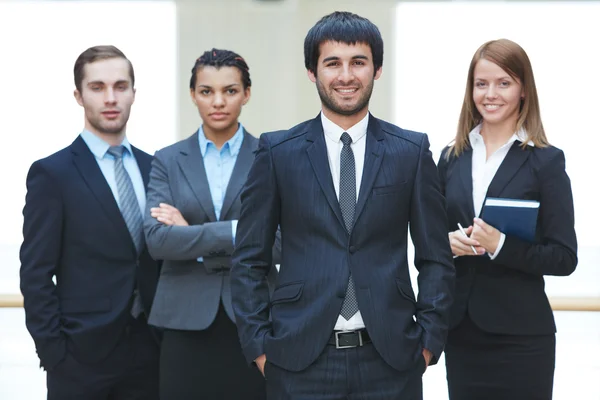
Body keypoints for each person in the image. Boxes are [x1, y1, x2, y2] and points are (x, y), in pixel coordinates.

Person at [230, 11, 455, 399]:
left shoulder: (411, 152)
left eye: (359, 62)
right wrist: (261, 348)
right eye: (332, 63)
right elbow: (249, 258)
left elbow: (436, 257)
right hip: (298, 361)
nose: (346, 76)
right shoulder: (277, 152)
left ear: (377, 69)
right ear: (312, 72)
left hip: (392, 360)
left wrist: (428, 344)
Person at [438, 38, 578, 400]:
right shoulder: (450, 158)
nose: (490, 94)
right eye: (481, 83)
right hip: (461, 334)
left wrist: (499, 245)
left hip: (522, 340)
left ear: (523, 91)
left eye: (504, 83)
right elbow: (430, 236)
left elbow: (564, 257)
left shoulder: (545, 162)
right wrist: (444, 245)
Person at [19, 45, 160, 399]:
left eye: (120, 86)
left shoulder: (155, 167)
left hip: (151, 354)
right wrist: (55, 355)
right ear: (79, 96)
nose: (110, 98)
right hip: (79, 360)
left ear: (133, 93)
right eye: (97, 88)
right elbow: (35, 274)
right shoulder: (52, 174)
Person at [144, 48, 278, 399]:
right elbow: (158, 241)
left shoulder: (272, 157)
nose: (218, 101)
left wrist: (189, 234)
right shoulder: (168, 161)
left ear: (246, 94)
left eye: (230, 91)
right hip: (183, 321)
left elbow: (282, 241)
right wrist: (241, 231)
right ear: (193, 95)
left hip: (255, 318)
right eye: (206, 91)